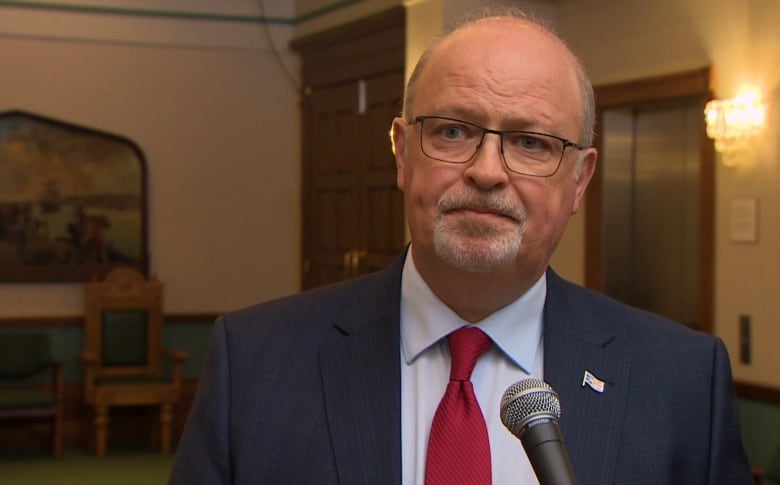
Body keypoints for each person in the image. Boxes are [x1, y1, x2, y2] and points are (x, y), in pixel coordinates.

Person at [169, 6, 752, 485]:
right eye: (453, 131)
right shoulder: (254, 364)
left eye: (530, 142)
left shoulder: (682, 382)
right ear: (401, 151)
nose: (487, 172)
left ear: (579, 180)